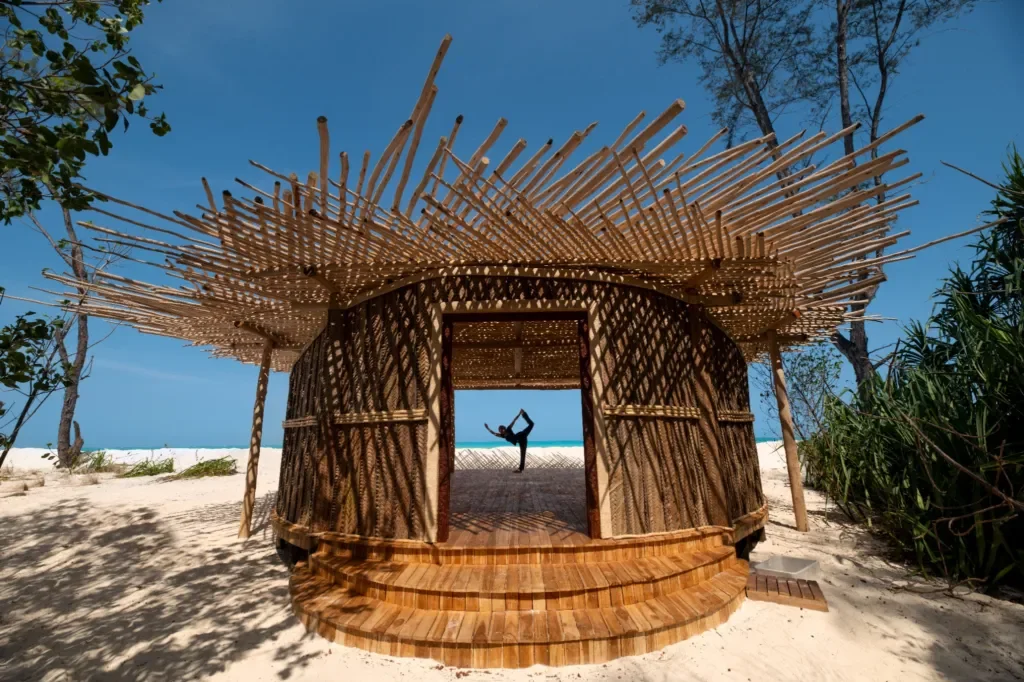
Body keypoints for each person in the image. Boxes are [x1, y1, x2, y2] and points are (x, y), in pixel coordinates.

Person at [485, 408, 535, 473]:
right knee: (523, 454)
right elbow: (494, 433)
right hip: (521, 441)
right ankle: (520, 469)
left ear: (504, 428)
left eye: (501, 429)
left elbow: (514, 420)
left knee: (531, 424)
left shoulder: (508, 428)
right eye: (500, 430)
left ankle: (523, 413)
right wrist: (488, 428)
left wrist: (519, 414)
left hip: (522, 435)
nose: (501, 431)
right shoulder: (503, 436)